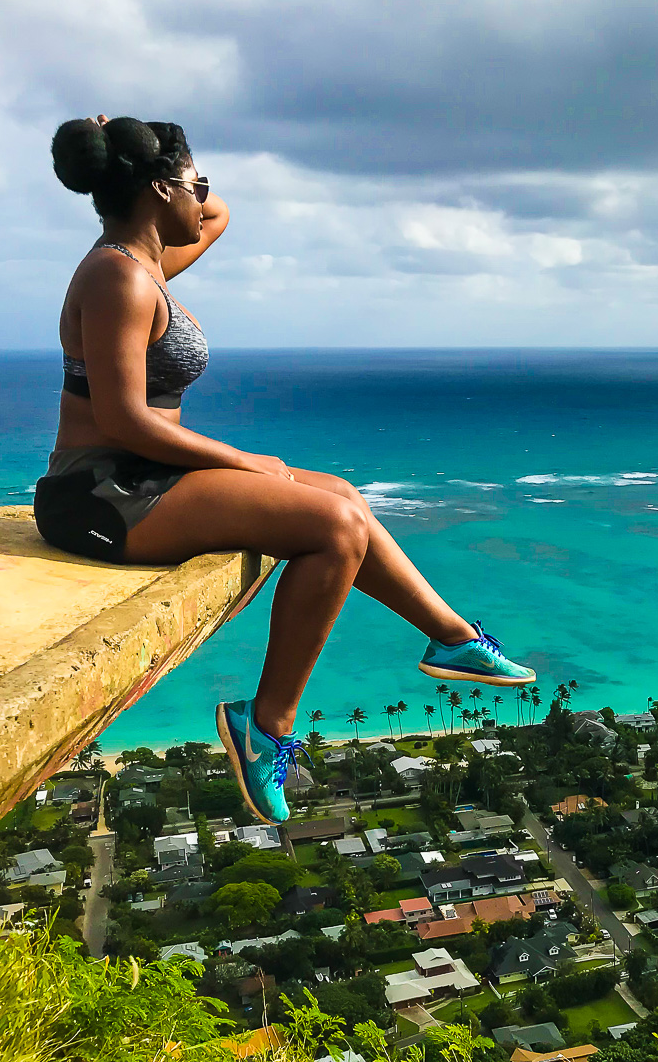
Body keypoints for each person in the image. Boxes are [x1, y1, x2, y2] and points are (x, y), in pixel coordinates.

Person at [38, 115, 533, 825]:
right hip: (102, 494)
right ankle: (267, 723)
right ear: (156, 190)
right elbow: (120, 420)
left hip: (143, 477)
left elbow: (218, 213)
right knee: (330, 526)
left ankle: (453, 638)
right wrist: (246, 461)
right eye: (192, 182)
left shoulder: (146, 262)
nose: (203, 194)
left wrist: (153, 160)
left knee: (341, 496)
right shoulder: (119, 277)